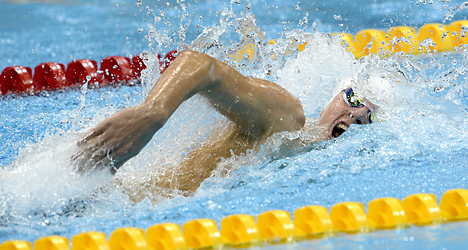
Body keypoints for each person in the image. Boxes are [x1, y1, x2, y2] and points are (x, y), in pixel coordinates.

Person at [72, 50, 376, 195]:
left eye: (370, 116)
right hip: (105, 197)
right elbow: (201, 66)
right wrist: (153, 112)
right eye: (353, 98)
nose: (357, 114)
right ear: (335, 94)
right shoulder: (287, 119)